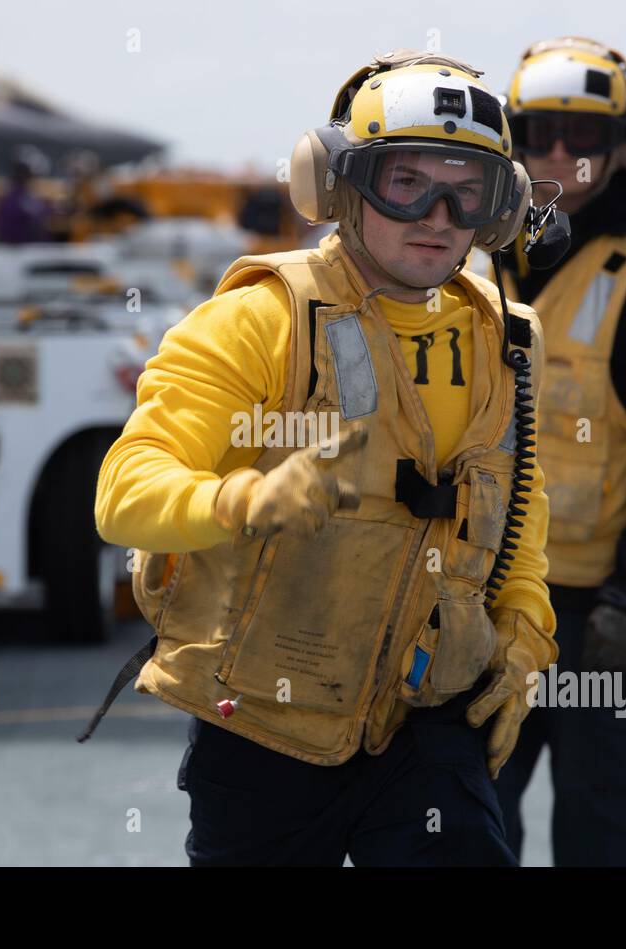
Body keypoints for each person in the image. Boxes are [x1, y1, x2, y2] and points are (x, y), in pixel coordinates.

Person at [92, 49, 560, 866]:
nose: (439, 214)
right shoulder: (258, 322)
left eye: (467, 189)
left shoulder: (505, 340)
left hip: (428, 730)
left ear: (500, 206)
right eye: (407, 182)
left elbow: (517, 509)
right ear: (341, 184)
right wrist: (238, 503)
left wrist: (524, 638)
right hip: (266, 726)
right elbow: (126, 492)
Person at [485, 37, 626, 866]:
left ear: (625, 145)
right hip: (480, 619)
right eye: (540, 130)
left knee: (609, 838)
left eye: (581, 136)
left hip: (600, 623)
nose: (557, 153)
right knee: (459, 831)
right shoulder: (473, 264)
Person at [0, 146, 50, 244]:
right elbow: (40, 212)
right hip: (18, 248)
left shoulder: (14, 194)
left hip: (16, 246)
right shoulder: (17, 196)